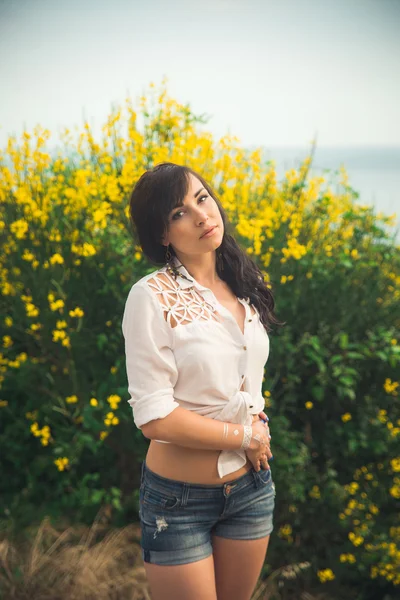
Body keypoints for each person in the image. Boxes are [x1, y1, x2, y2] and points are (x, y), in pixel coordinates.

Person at [122, 162, 286, 600]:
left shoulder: (244, 282)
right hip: (177, 504)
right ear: (161, 234)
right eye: (179, 213)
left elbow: (244, 381)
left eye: (201, 198)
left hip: (251, 490)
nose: (200, 216)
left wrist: (258, 421)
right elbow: (154, 417)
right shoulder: (150, 296)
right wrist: (244, 436)